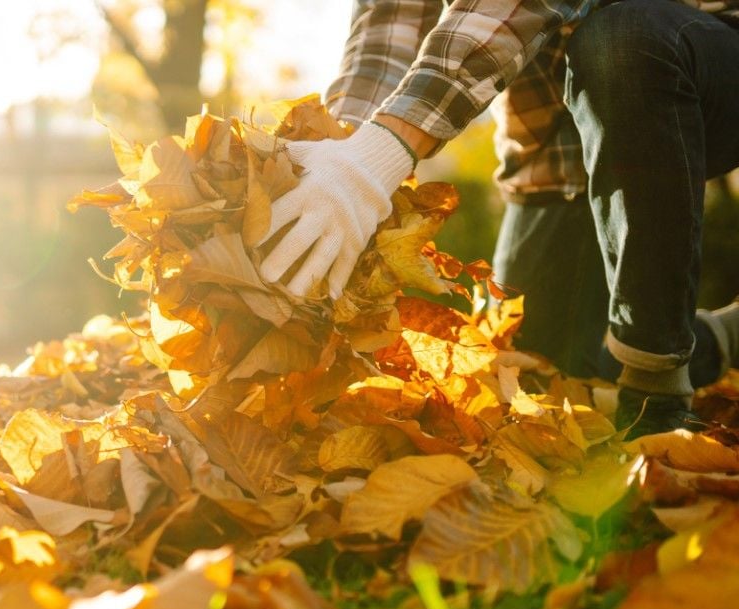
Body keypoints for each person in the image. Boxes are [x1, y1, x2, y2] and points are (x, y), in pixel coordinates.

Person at [260, 0, 739, 436]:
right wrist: (342, 156)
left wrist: (383, 149)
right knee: (538, 374)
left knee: (624, 42)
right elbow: (389, 34)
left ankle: (657, 391)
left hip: (706, 53)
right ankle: (721, 340)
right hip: (560, 148)